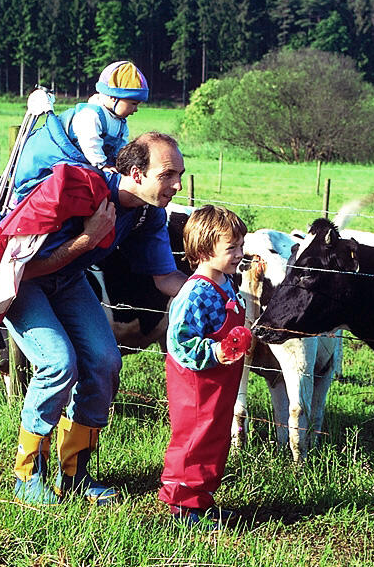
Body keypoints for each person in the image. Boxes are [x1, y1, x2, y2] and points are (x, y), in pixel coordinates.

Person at [0, 131, 188, 506]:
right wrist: (88, 240)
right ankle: (28, 476)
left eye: (180, 175)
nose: (177, 185)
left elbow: (165, 279)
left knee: (105, 361)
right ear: (137, 174)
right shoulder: (79, 189)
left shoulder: (148, 214)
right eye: (167, 175)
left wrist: (214, 289)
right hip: (13, 275)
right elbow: (21, 267)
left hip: (66, 276)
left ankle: (75, 474)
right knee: (58, 363)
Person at [158, 205, 254, 529]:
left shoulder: (226, 282)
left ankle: (200, 500)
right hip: (197, 386)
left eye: (241, 245)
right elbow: (179, 341)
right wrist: (216, 350)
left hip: (220, 384)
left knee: (214, 440)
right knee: (194, 440)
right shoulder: (195, 293)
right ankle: (182, 505)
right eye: (232, 248)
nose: (239, 253)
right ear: (204, 250)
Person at [12, 60, 149, 201]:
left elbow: (121, 145)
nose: (136, 109)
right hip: (60, 152)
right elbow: (90, 142)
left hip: (84, 158)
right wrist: (102, 164)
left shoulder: (120, 122)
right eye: (133, 104)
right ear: (114, 97)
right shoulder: (91, 115)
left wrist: (122, 164)